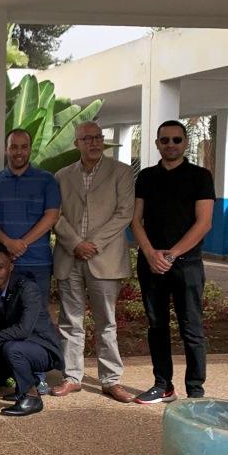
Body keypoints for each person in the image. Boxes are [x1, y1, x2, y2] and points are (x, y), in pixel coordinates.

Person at [50, 121, 135, 404]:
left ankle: (111, 379)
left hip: (105, 258)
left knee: (106, 322)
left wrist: (93, 244)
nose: (94, 143)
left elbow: (124, 214)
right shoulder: (62, 175)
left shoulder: (121, 172)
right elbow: (55, 215)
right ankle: (72, 377)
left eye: (98, 137)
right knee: (70, 321)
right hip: (69, 256)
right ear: (76, 144)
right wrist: (75, 244)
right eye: (87, 138)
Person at [131, 120, 215, 404]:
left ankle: (195, 392)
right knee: (157, 327)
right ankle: (163, 385)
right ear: (157, 144)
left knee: (191, 328)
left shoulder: (200, 176)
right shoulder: (145, 177)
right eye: (165, 140)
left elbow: (203, 224)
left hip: (186, 264)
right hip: (151, 263)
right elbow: (135, 219)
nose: (170, 145)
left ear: (185, 143)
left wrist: (171, 254)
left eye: (176, 140)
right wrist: (150, 253)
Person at [0, 128, 61, 395]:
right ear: (7, 149)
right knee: (2, 319)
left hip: (37, 262)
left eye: (23, 146)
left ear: (30, 149)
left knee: (34, 321)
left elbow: (51, 216)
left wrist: (22, 243)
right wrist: (8, 244)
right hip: (2, 265)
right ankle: (9, 373)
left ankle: (37, 375)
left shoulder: (47, 180)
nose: (18, 151)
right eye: (13, 146)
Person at [0, 246, 63, 417]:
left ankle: (31, 397)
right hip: (20, 344)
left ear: (11, 267)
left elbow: (23, 330)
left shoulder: (27, 288)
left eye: (0, 267)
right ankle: (7, 382)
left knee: (12, 349)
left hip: (42, 349)